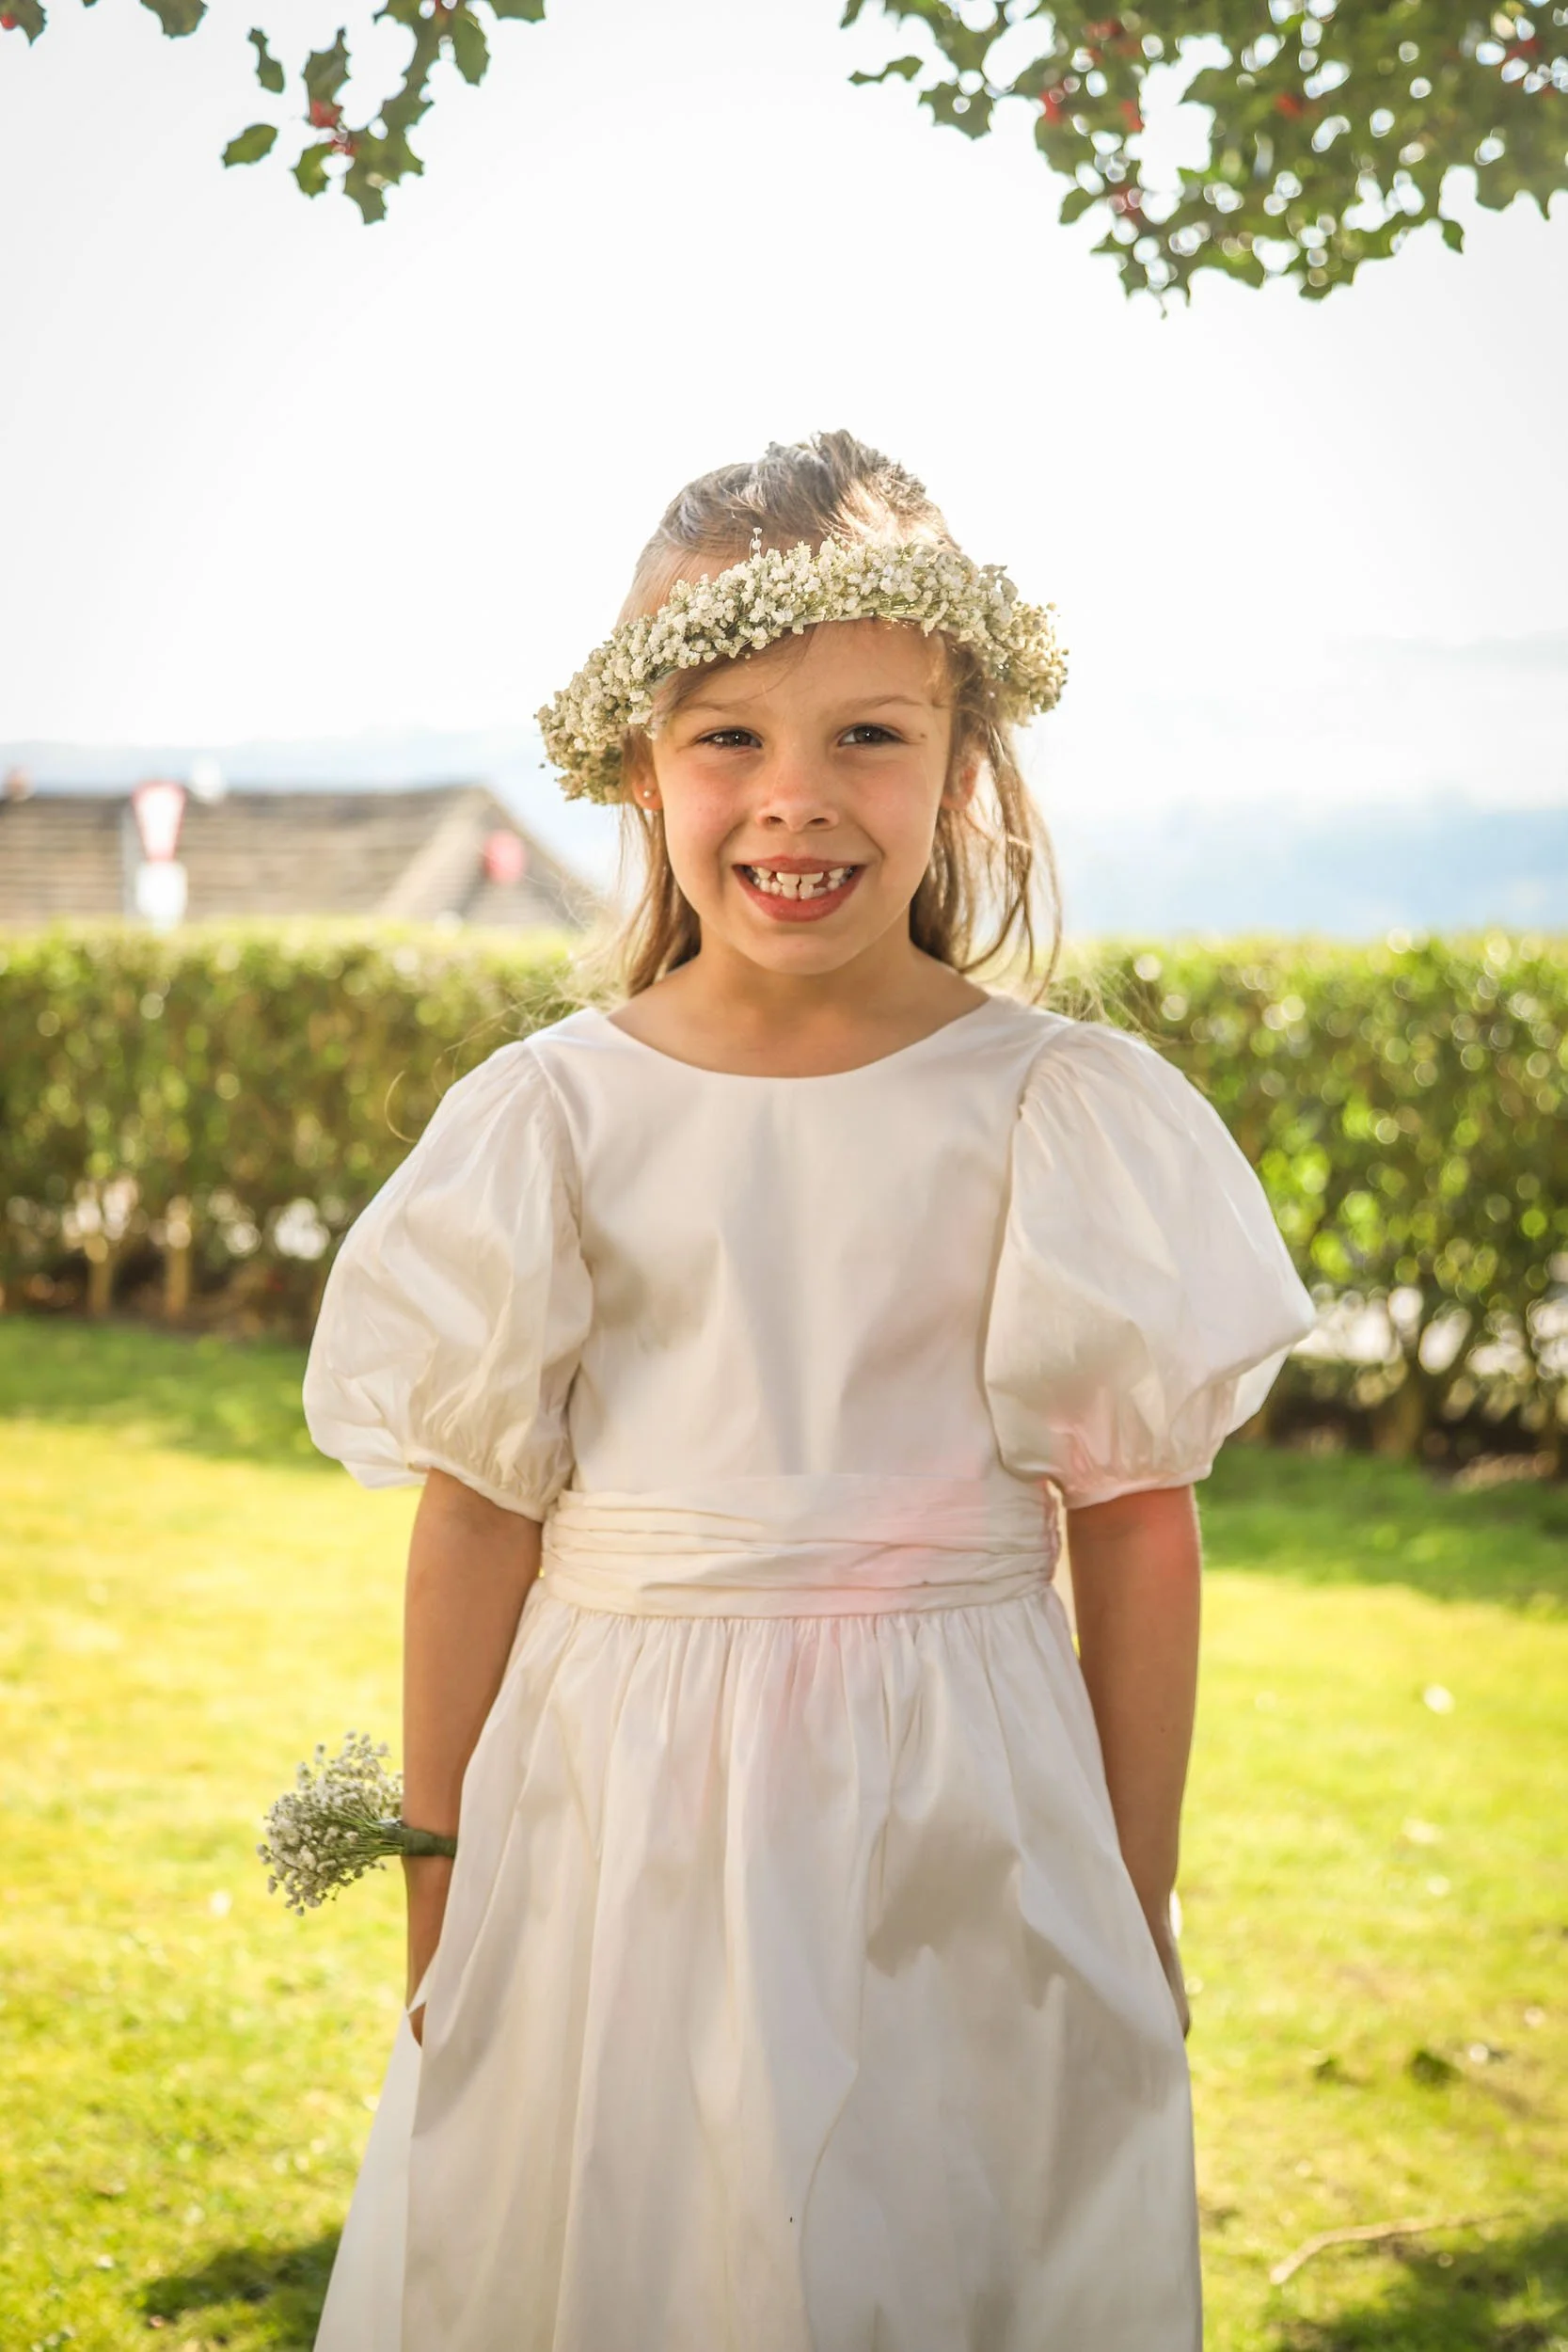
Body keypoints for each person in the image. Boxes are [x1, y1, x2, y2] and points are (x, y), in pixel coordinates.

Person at [302, 430, 1316, 2352]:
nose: (796, 796)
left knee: (927, 2228)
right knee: (624, 2225)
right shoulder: (551, 1118)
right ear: (637, 766)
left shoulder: (1053, 1108)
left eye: (868, 735)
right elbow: (476, 1517)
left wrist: (1133, 1893)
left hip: (962, 1787)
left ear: (964, 764)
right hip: (618, 1792)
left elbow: (1130, 1520)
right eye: (727, 739)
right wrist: (440, 1892)